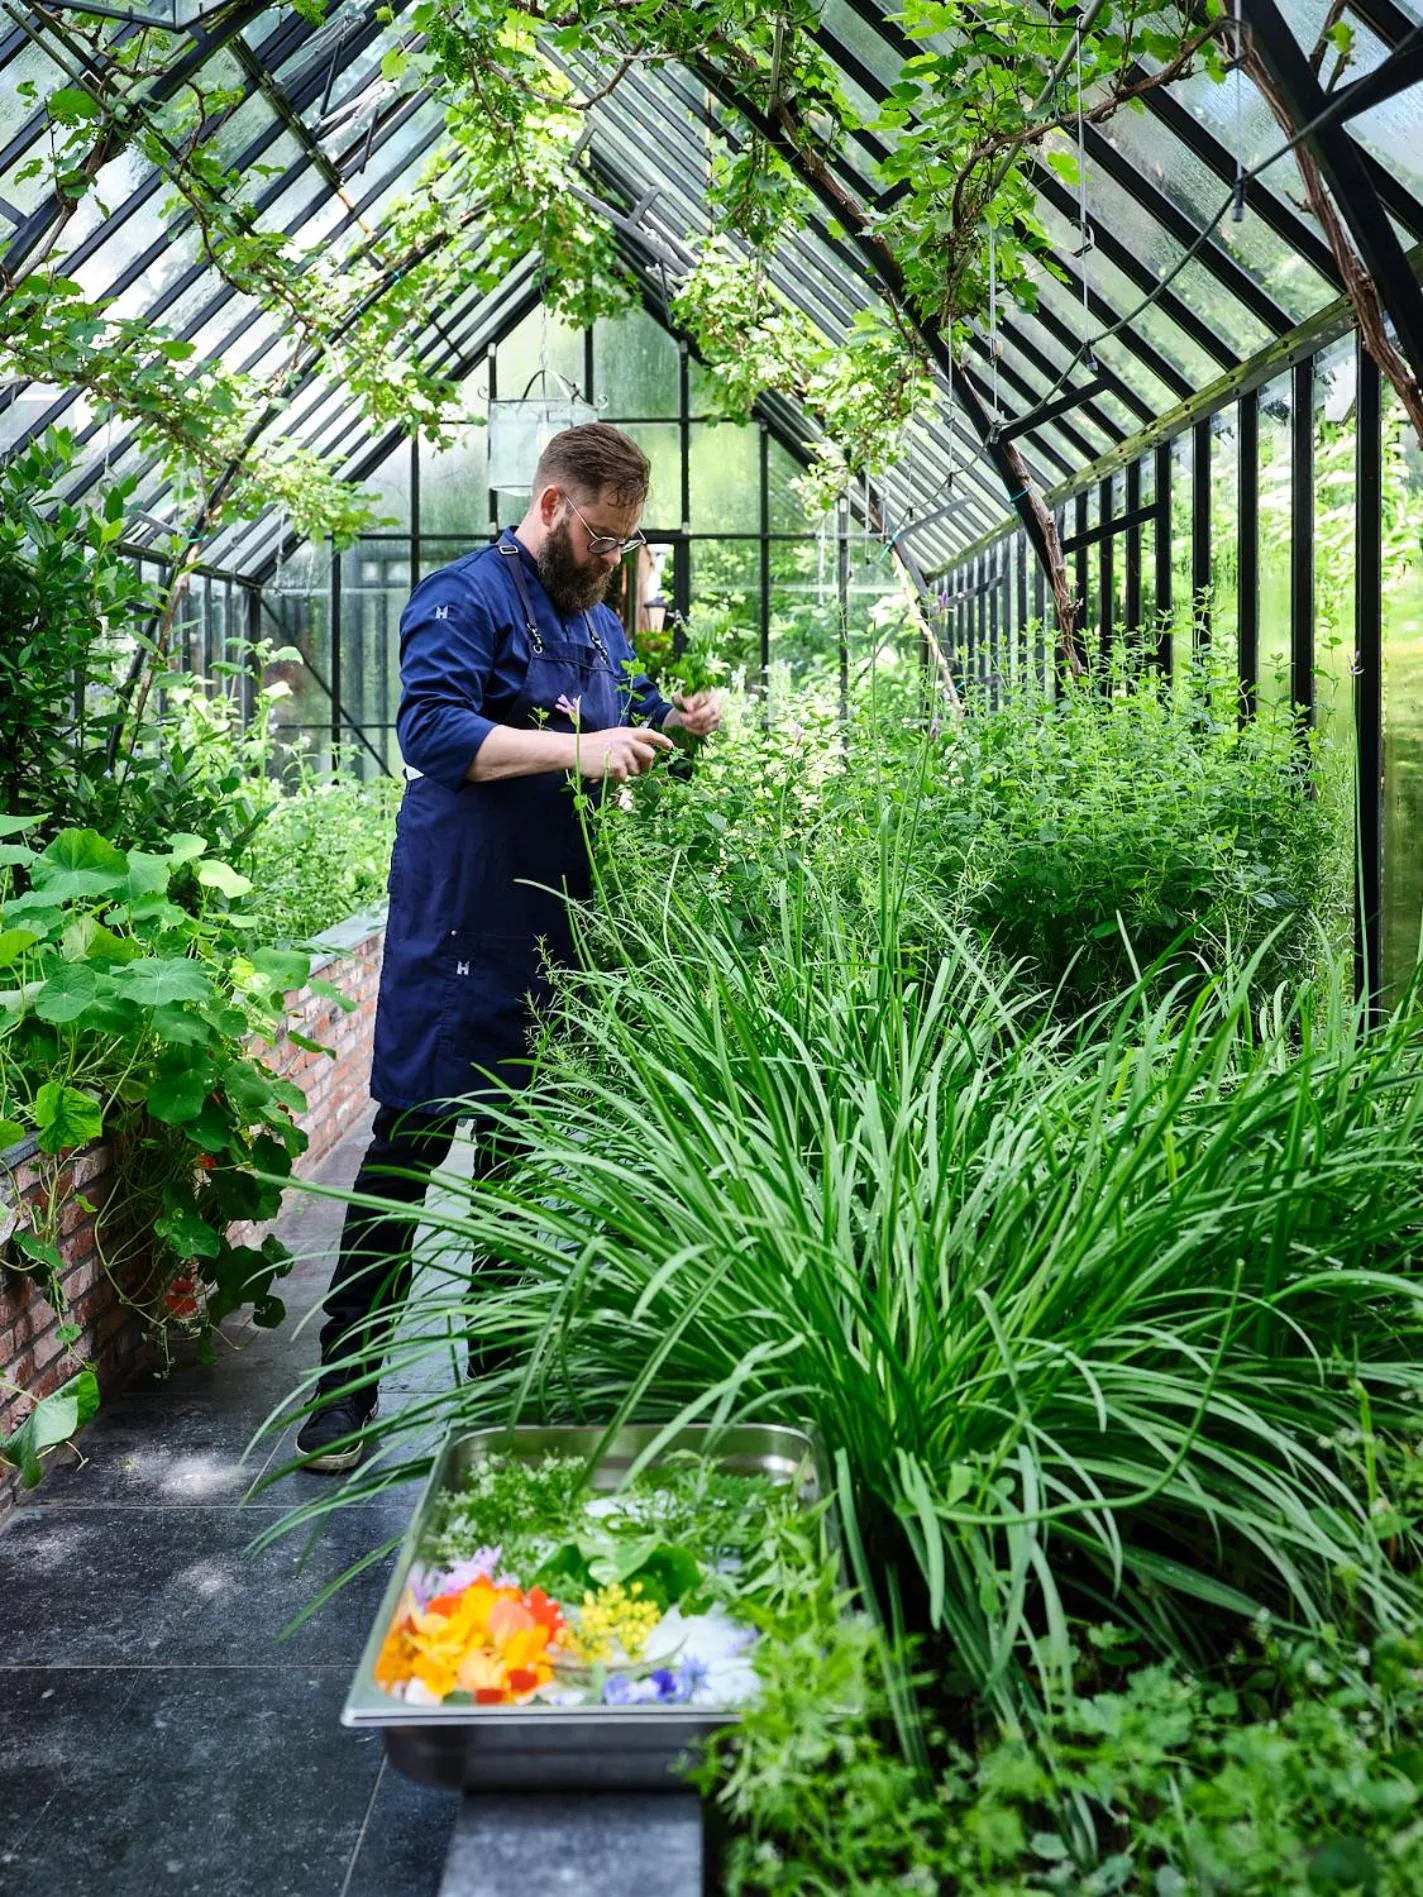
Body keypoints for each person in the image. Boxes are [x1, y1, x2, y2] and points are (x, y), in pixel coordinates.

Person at [296, 424, 722, 1471]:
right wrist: (578, 748)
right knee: (408, 1151)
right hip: (459, 923)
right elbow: (432, 732)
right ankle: (344, 1397)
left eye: (624, 543)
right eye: (604, 538)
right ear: (548, 508)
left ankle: (498, 1387)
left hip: (553, 926)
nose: (614, 559)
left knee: (520, 1163)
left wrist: (683, 721)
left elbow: (622, 709)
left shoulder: (589, 617)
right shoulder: (464, 597)